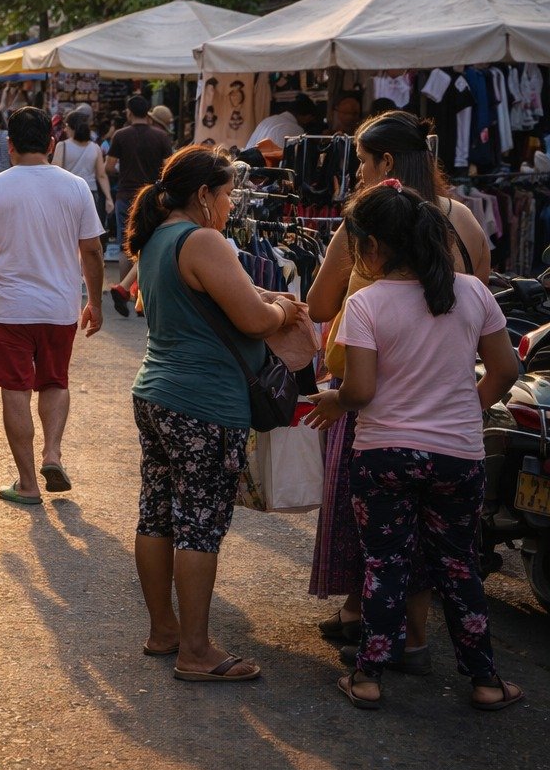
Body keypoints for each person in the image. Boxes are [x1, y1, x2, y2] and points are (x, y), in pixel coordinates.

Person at [304, 182, 520, 712]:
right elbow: (506, 370)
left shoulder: (366, 305)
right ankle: (486, 681)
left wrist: (333, 402)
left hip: (384, 457)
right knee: (458, 568)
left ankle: (369, 677)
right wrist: (466, 411)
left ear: (373, 248)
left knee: (386, 565)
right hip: (459, 456)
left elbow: (361, 392)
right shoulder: (472, 292)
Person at [128, 147, 303, 683]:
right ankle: (197, 651)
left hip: (156, 393)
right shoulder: (202, 240)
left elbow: (169, 305)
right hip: (203, 403)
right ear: (204, 196)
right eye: (227, 195)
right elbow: (252, 320)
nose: (230, 206)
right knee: (200, 525)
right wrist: (284, 308)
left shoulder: (156, 239)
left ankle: (165, 632)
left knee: (157, 514)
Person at [0, 107, 105, 502]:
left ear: (10, 146)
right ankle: (53, 452)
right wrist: (94, 301)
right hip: (59, 307)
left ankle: (27, 483)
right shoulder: (76, 187)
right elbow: (92, 250)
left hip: (9, 309)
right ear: (51, 144)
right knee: (55, 380)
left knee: (15, 389)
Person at [108, 95, 174, 288]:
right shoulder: (160, 136)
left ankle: (124, 289)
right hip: (152, 196)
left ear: (129, 112)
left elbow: (109, 167)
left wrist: (124, 169)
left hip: (125, 195)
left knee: (125, 244)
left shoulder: (120, 135)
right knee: (150, 241)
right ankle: (144, 289)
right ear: (148, 113)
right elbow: (168, 167)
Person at [57, 108, 113, 231]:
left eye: (66, 126)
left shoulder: (62, 146)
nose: (65, 130)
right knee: (89, 231)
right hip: (90, 193)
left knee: (69, 230)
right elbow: (101, 175)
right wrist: (109, 198)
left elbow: (55, 173)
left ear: (71, 127)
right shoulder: (95, 148)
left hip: (68, 194)